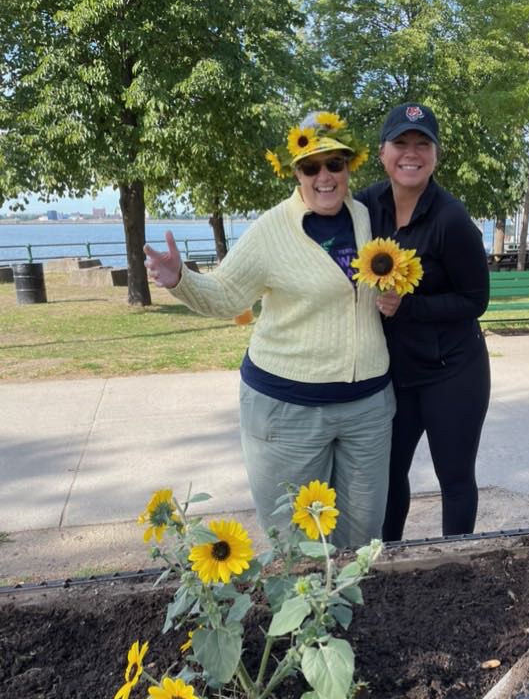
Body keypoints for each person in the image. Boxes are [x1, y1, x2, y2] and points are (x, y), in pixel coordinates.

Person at [143, 112, 396, 547]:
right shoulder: (271, 229)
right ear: (295, 171)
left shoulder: (369, 218)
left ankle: (357, 617)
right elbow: (226, 295)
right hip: (288, 410)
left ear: (349, 167)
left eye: (335, 164)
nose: (324, 176)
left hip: (367, 408)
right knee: (297, 544)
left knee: (363, 540)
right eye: (311, 166)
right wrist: (180, 279)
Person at [356, 103, 490, 539]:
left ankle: (457, 569)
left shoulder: (451, 219)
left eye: (422, 144)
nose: (410, 154)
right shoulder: (364, 207)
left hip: (453, 370)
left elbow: (476, 300)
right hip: (392, 372)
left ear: (435, 156)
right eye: (400, 143)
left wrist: (409, 306)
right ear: (382, 153)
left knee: (454, 478)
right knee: (389, 475)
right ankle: (387, 564)